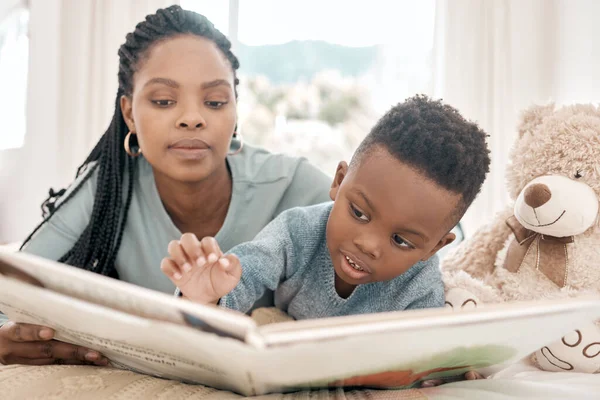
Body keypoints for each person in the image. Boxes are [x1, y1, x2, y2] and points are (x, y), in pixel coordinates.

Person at [0, 5, 332, 367]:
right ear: (129, 113)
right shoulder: (108, 188)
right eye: (163, 101)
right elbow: (11, 284)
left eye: (215, 102)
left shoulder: (294, 185)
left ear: (235, 110)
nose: (192, 118)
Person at [163, 95, 491, 320]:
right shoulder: (298, 232)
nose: (368, 244)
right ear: (338, 181)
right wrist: (207, 297)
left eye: (401, 241)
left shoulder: (420, 287)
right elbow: (247, 269)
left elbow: (422, 353)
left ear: (435, 247)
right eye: (359, 213)